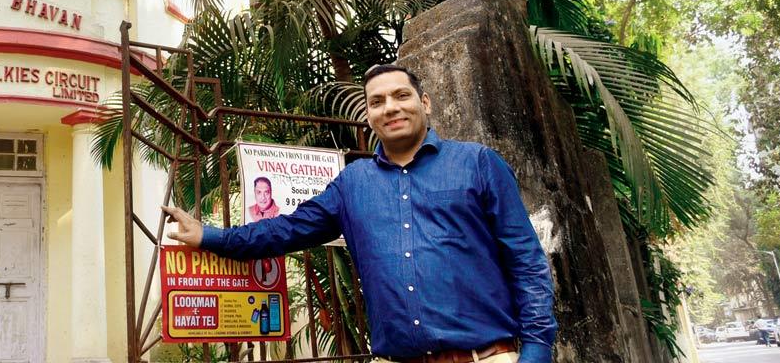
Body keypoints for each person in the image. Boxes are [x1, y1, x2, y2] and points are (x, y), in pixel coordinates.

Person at [162, 64, 556, 363]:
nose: (391, 108)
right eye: (377, 102)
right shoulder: (353, 184)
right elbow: (287, 230)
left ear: (425, 102)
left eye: (401, 96)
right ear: (367, 116)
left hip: (485, 356)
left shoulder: (477, 163)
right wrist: (209, 236)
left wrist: (536, 350)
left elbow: (525, 257)